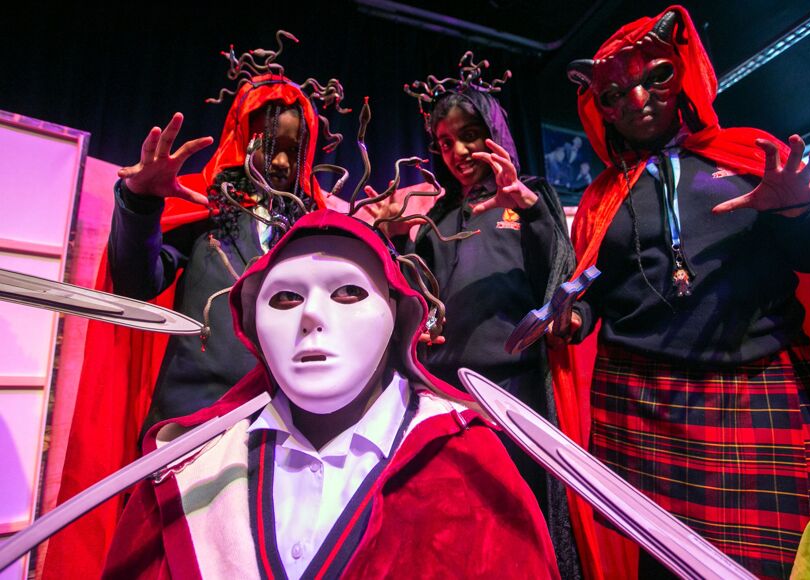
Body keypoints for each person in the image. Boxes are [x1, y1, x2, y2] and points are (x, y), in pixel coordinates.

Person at [555, 6, 810, 579]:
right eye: (615, 94)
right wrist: (576, 316)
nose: (636, 100)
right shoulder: (602, 196)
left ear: (683, 75)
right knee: (664, 562)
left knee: (792, 560)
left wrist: (794, 211)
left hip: (760, 383)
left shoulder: (750, 153)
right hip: (644, 398)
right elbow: (596, 285)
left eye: (654, 77)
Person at [101, 209, 560, 579]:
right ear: (253, 323)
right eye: (285, 298)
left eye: (347, 292)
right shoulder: (190, 471)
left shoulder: (470, 462)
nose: (311, 315)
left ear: (398, 317)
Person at [44, 44, 340, 577]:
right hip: (190, 430)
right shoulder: (205, 208)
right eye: (267, 144)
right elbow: (136, 284)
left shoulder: (316, 230)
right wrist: (140, 202)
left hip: (283, 435)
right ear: (241, 137)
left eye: (291, 151)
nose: (279, 162)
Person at [372, 58, 583, 578]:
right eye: (446, 142)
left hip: (515, 391)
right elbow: (418, 295)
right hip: (447, 395)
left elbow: (559, 277)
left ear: (494, 132)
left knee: (522, 521)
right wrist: (388, 238)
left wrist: (529, 209)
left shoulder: (532, 195)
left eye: (469, 135)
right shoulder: (438, 217)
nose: (459, 152)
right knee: (460, 528)